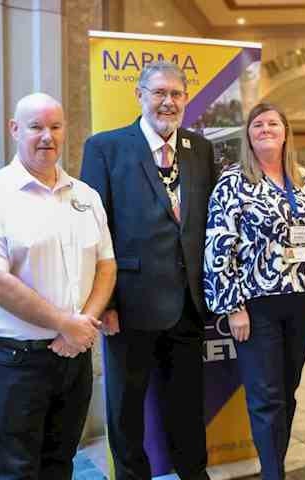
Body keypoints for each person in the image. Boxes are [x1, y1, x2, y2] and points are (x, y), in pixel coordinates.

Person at [0, 93, 116, 479]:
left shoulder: (86, 196)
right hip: (14, 362)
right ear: (15, 130)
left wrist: (83, 323)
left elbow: (106, 266)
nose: (46, 136)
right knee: (14, 470)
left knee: (60, 464)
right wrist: (67, 324)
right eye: (35, 127)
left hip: (73, 359)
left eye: (55, 126)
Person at [81, 61, 217, 480]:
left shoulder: (200, 148)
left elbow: (210, 224)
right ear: (139, 95)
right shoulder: (106, 147)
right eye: (159, 93)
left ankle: (193, 474)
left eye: (176, 94)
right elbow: (94, 231)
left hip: (188, 305)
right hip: (130, 306)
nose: (168, 102)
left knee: (188, 406)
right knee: (126, 409)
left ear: (186, 100)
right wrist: (105, 304)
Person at [204, 103, 305, 480]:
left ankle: (275, 464)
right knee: (266, 397)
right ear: (248, 135)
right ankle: (274, 474)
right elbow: (218, 245)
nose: (266, 129)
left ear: (286, 131)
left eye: (273, 123)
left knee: (287, 392)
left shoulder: (302, 178)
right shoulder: (233, 181)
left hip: (302, 299)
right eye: (258, 124)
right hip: (257, 305)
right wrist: (232, 306)